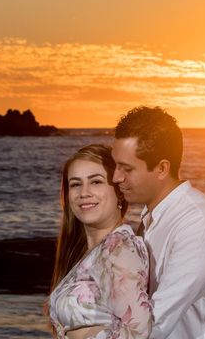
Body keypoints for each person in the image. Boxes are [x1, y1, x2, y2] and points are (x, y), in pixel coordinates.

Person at [112, 106, 205, 339]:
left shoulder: (199, 224)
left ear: (162, 168)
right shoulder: (153, 218)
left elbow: (154, 321)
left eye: (127, 168)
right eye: (116, 165)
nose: (116, 177)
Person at [48, 144, 152, 339]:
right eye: (75, 184)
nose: (84, 192)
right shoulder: (90, 254)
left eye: (96, 182)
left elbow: (139, 334)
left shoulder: (118, 249)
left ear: (119, 192)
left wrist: (75, 336)